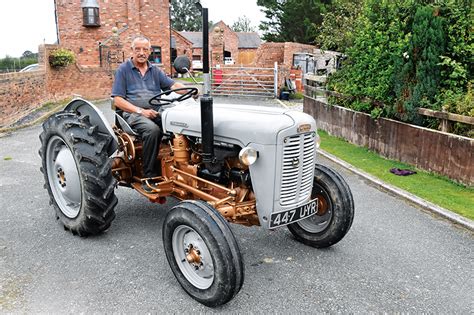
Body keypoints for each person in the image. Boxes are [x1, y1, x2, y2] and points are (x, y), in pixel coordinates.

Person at [112, 35, 188, 192]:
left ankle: (181, 168)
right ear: (132, 50)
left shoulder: (155, 70)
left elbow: (173, 85)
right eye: (138, 49)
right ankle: (149, 176)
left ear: (149, 51)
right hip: (131, 114)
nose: (141, 52)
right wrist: (141, 111)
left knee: (179, 124)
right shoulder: (123, 70)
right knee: (152, 130)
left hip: (154, 111)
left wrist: (188, 91)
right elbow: (117, 101)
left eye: (145, 49)